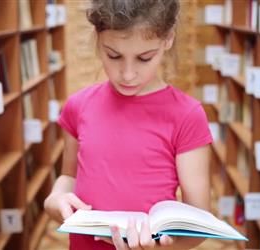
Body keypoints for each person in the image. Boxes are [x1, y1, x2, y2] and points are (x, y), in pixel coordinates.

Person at [44, 0, 213, 249]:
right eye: (113, 55)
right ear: (98, 38)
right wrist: (55, 199)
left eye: (145, 58)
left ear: (168, 40)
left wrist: (158, 247)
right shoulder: (78, 106)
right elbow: (69, 176)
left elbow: (199, 226)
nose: (127, 74)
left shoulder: (187, 115)